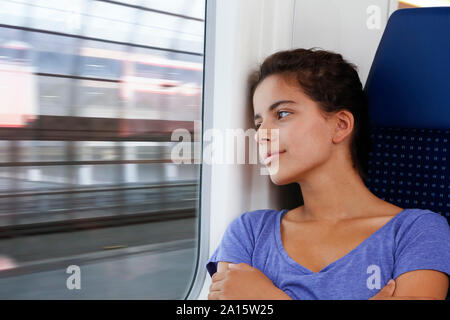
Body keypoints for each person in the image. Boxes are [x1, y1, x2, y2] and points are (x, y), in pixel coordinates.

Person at [206, 48, 450, 300]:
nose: (261, 134)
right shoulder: (249, 232)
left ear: (340, 125)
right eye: (258, 124)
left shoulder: (417, 231)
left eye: (282, 114)